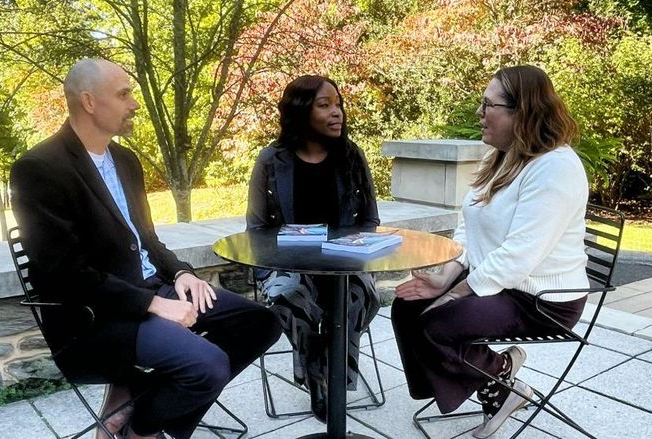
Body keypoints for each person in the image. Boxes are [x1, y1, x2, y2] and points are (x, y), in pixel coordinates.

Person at [10, 58, 281, 439]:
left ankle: (140, 410)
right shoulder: (39, 168)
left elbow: (147, 240)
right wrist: (156, 305)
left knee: (261, 322)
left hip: (150, 288)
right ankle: (143, 428)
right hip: (94, 317)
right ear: (89, 102)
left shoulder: (125, 160)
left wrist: (183, 273)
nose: (134, 104)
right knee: (207, 365)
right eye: (124, 94)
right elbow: (65, 274)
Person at [392, 65, 590, 438]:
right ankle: (498, 379)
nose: (480, 114)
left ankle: (499, 381)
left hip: (541, 299)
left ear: (523, 112)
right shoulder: (501, 156)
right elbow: (471, 227)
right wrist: (447, 275)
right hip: (503, 283)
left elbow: (519, 255)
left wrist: (453, 293)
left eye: (489, 105)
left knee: (436, 323)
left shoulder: (555, 168)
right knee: (407, 306)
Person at [246, 75, 380, 421]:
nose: (337, 113)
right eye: (325, 105)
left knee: (358, 297)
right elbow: (257, 229)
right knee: (288, 295)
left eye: (338, 104)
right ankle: (322, 376)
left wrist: (357, 252)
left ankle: (327, 373)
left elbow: (369, 220)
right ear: (300, 111)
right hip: (289, 265)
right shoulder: (271, 161)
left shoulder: (352, 156)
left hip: (346, 265)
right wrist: (266, 273)